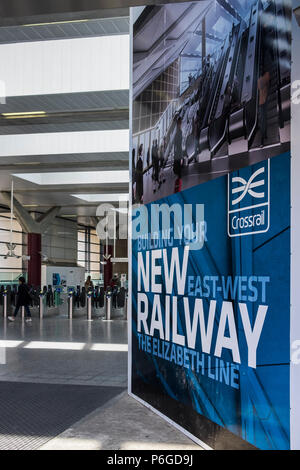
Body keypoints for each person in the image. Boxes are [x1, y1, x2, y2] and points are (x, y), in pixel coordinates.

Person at [258, 66, 270, 147]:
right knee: (263, 119)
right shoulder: (267, 75)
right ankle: (263, 137)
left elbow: (259, 88)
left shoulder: (259, 80)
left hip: (262, 101)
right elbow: (268, 84)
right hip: (264, 101)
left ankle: (263, 139)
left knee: (263, 120)